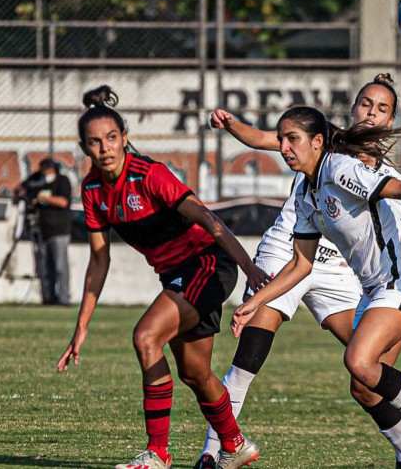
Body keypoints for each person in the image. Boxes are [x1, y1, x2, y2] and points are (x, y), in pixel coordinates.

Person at [195, 75, 401, 469]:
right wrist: (255, 300)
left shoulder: (351, 169)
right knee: (343, 376)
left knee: (363, 368)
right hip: (329, 270)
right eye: (365, 104)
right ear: (351, 110)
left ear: (390, 121)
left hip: (376, 277)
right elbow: (299, 261)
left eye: (382, 108)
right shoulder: (313, 168)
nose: (371, 113)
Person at [56, 85, 270, 469]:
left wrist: (249, 267)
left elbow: (208, 219)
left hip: (209, 264)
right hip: (178, 277)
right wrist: (81, 327)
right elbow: (98, 262)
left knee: (145, 336)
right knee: (195, 372)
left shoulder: (150, 175)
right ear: (84, 148)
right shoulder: (91, 190)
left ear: (124, 138)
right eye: (94, 142)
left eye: (111, 138)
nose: (104, 148)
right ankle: (235, 445)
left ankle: (157, 454)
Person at [16, 157, 72, 305]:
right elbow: (21, 188)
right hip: (41, 230)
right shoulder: (38, 180)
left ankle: (63, 298)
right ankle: (48, 298)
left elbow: (64, 202)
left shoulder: (62, 181)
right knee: (45, 268)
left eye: (48, 170)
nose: (46, 174)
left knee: (60, 267)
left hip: (59, 230)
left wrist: (43, 198)